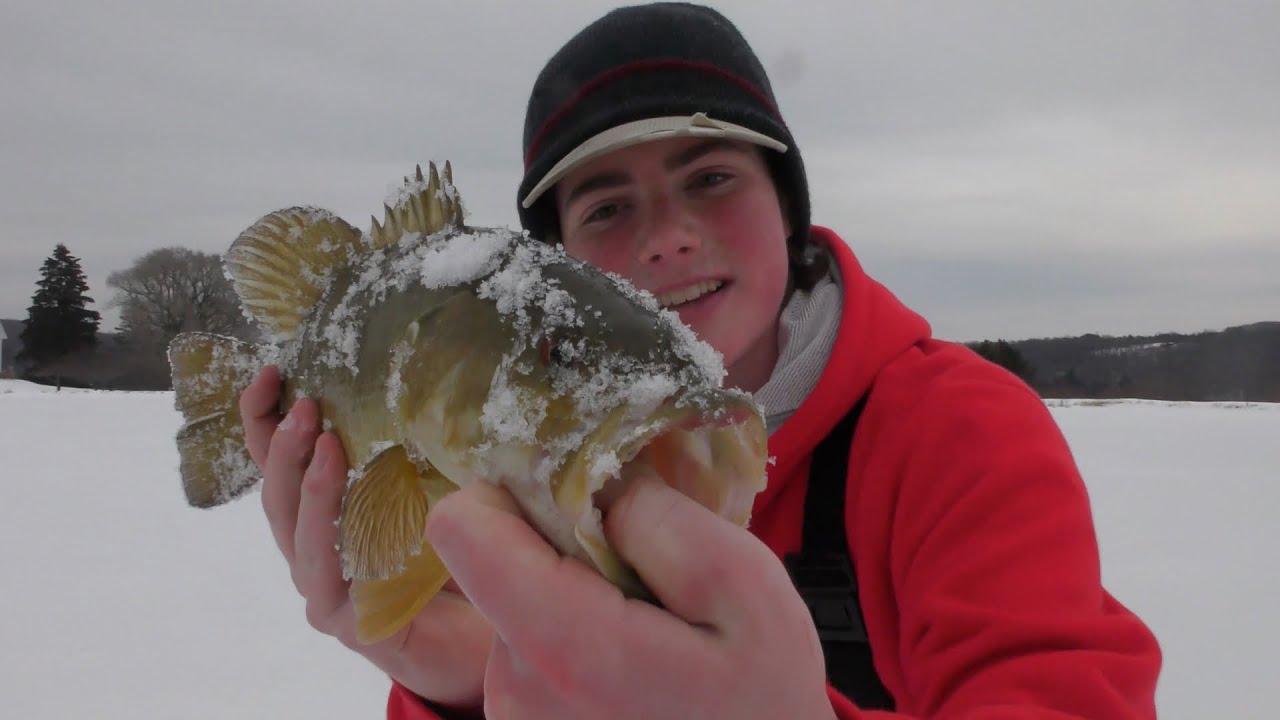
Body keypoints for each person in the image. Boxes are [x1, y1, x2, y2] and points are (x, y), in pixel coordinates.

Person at [238, 3, 1163, 718]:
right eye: (606, 208)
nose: (670, 238)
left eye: (711, 178)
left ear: (786, 206)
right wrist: (463, 684)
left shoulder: (964, 431)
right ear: (547, 269)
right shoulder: (495, 464)